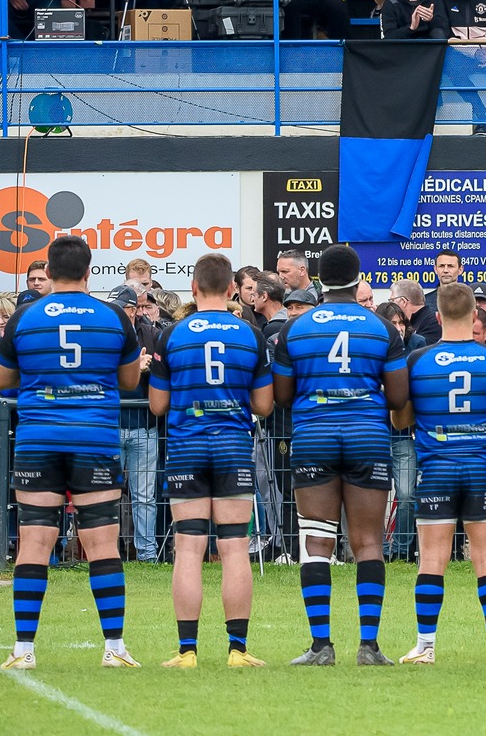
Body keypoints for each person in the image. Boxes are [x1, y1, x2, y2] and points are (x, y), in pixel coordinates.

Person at [0, 236, 142, 670]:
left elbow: (0, 380)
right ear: (89, 270)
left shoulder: (25, 317)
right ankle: (114, 647)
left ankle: (23, 650)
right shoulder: (113, 316)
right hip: (94, 441)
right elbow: (130, 380)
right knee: (102, 543)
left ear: (49, 273)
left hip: (39, 441)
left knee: (35, 542)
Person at [272, 244, 407, 667]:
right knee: (368, 543)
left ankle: (321, 646)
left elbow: (282, 396)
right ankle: (369, 646)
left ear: (318, 278)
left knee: (315, 542)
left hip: (314, 436)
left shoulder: (295, 329)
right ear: (357, 277)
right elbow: (400, 396)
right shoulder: (383, 328)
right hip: (367, 436)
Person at [144, 253, 272, 669]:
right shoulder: (250, 334)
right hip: (233, 446)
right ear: (233, 289)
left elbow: (158, 405)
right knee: (234, 547)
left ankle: (187, 652)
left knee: (188, 548)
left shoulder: (173, 335)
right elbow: (264, 405)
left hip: (186, 448)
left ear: (194, 289)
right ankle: (237, 650)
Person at [391, 282, 486, 667]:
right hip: (481, 468)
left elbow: (402, 418)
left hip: (437, 469)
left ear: (437, 316)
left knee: (431, 557)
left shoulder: (418, 360)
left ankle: (425, 647)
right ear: (476, 316)